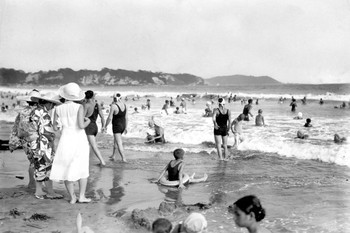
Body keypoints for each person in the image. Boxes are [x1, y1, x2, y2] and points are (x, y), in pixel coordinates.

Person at [50, 83, 91, 204]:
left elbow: (55, 127)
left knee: (67, 168)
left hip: (65, 139)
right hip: (78, 139)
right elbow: (81, 125)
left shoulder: (57, 108)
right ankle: (82, 196)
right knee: (82, 167)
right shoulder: (79, 107)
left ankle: (73, 197)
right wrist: (88, 121)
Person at [30, 92, 63, 199]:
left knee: (41, 166)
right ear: (47, 103)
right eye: (52, 104)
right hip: (42, 144)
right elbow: (46, 132)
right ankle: (41, 192)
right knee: (44, 167)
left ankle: (47, 191)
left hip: (35, 143)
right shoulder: (43, 113)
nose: (53, 107)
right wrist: (53, 141)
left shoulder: (35, 111)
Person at [9, 89, 41, 189]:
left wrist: (13, 141)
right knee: (37, 163)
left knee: (32, 162)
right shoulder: (38, 111)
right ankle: (34, 184)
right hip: (35, 139)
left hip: (24, 140)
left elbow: (16, 126)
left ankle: (32, 183)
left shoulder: (22, 111)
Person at [83, 90, 106, 166]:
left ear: (85, 96)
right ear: (93, 96)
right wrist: (103, 127)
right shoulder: (97, 104)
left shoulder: (86, 105)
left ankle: (102, 161)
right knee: (89, 144)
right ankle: (87, 159)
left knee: (93, 146)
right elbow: (102, 117)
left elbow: (82, 117)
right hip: (95, 127)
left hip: (89, 127)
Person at [104, 93, 128, 162]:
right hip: (123, 126)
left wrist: (105, 126)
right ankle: (113, 155)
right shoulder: (125, 105)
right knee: (116, 141)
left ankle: (124, 159)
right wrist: (126, 127)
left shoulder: (113, 106)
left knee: (119, 143)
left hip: (117, 126)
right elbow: (126, 118)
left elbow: (109, 118)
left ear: (115, 98)